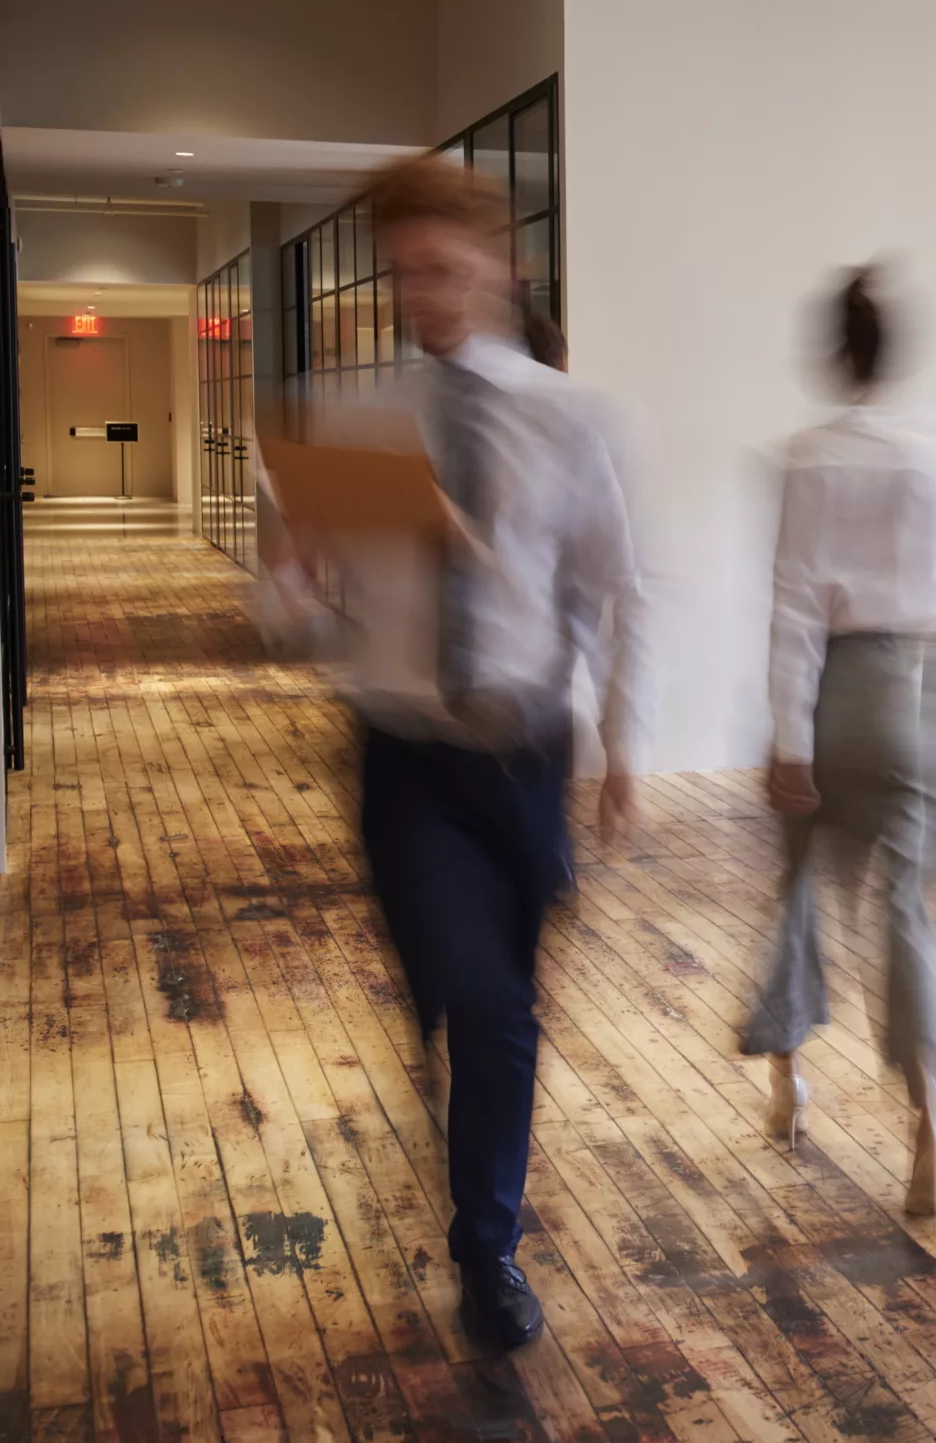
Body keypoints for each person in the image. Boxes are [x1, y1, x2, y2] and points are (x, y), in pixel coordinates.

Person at [277, 155, 648, 1352]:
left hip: (524, 755)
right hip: (405, 753)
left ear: (497, 266)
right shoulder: (354, 415)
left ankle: (483, 1218)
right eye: (405, 273)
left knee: (497, 1008)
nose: (423, 293)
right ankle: (487, 1251)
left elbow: (611, 589)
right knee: (477, 999)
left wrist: (624, 744)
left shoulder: (568, 413)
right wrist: (289, 573)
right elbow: (293, 616)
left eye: (443, 268)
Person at [745, 268, 936, 1218]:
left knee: (798, 887)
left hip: (839, 690)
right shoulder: (935, 457)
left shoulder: (809, 456)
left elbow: (796, 604)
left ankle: (788, 1082)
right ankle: (932, 1135)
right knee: (906, 912)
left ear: (836, 354)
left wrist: (788, 736)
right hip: (918, 692)